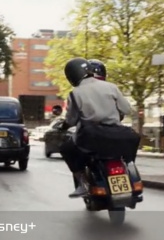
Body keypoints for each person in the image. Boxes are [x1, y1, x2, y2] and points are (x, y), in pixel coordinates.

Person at [58, 57, 136, 198]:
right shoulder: (111, 87)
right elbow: (126, 109)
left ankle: (82, 184)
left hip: (92, 136)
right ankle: (130, 173)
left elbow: (71, 119)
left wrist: (64, 126)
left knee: (66, 149)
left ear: (71, 76)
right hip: (116, 133)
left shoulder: (76, 93)